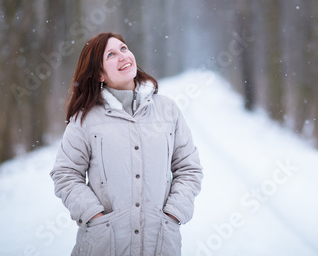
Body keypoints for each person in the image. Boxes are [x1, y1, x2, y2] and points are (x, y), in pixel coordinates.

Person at [50, 32, 203, 256]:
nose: (123, 56)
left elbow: (188, 168)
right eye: (111, 54)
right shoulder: (86, 119)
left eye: (123, 48)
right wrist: (94, 217)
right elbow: (65, 174)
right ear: (100, 74)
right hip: (104, 245)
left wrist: (174, 214)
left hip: (160, 243)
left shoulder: (168, 110)